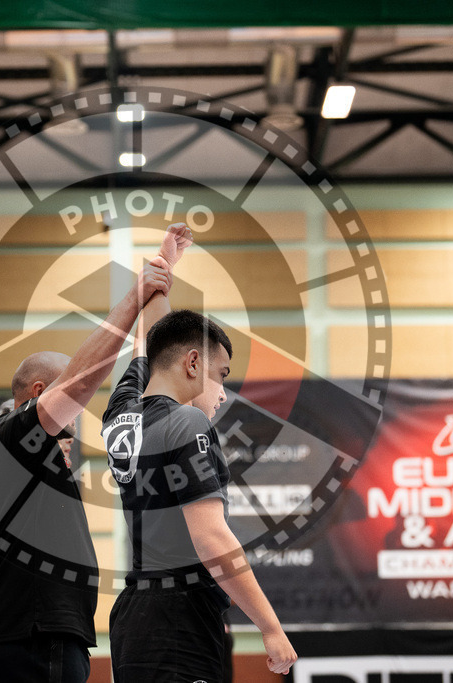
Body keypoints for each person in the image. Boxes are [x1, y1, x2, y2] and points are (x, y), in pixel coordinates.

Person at [0, 225, 189, 683]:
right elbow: (82, 380)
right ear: (37, 393)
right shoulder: (9, 437)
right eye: (66, 407)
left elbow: (146, 372)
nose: (76, 419)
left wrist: (160, 278)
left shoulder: (23, 454)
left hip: (25, 639)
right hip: (35, 640)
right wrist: (135, 294)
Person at [101, 242, 299, 681]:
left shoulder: (119, 413)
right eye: (221, 375)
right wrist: (270, 627)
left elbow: (152, 344)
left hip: (133, 619)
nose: (223, 393)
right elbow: (211, 538)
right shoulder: (187, 421)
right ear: (193, 363)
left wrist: (161, 271)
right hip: (181, 621)